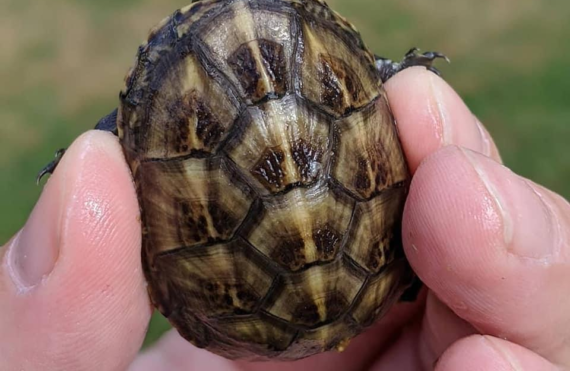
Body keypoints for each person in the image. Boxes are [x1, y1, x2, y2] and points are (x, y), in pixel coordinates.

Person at [1, 68, 568, 371]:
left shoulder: (176, 70)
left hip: (242, 319)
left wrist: (107, 137)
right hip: (368, 292)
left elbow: (137, 124)